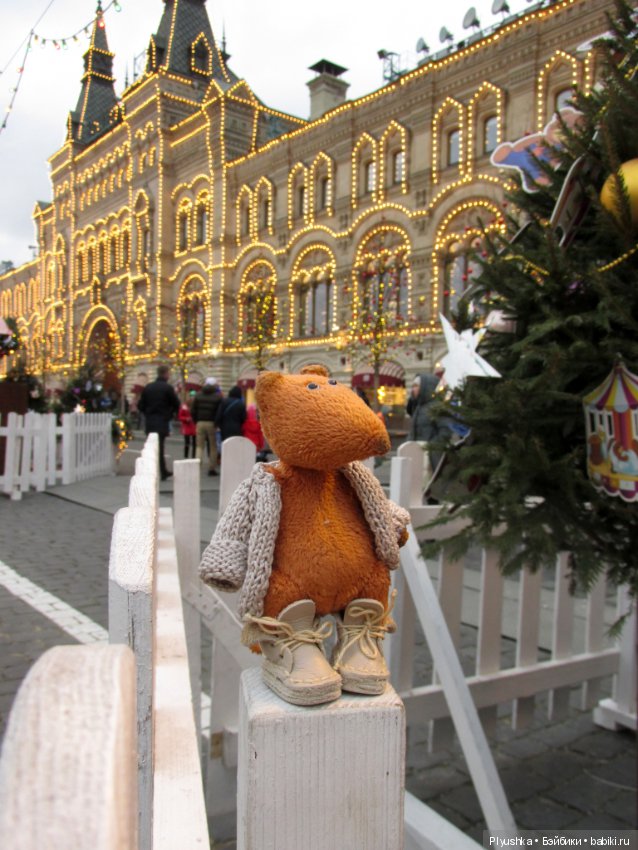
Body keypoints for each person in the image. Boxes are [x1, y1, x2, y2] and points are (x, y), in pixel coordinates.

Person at [137, 364, 180, 480]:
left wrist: (147, 413)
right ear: (165, 374)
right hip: (162, 421)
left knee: (151, 448)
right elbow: (176, 404)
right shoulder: (167, 388)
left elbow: (140, 405)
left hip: (150, 421)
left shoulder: (148, 387)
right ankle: (162, 471)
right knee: (160, 447)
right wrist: (170, 414)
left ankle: (152, 470)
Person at [192, 377, 222, 475]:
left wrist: (196, 420)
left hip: (200, 422)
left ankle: (197, 466)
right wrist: (217, 423)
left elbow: (193, 410)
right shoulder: (217, 397)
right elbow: (219, 412)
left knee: (199, 446)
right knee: (213, 446)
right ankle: (211, 468)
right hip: (212, 423)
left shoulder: (198, 395)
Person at [178, 391, 197, 459]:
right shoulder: (184, 405)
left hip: (195, 426)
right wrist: (186, 419)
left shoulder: (197, 405)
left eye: (194, 396)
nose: (193, 398)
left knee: (195, 443)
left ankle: (193, 457)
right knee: (187, 442)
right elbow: (180, 416)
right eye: (191, 396)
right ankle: (185, 456)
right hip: (187, 426)